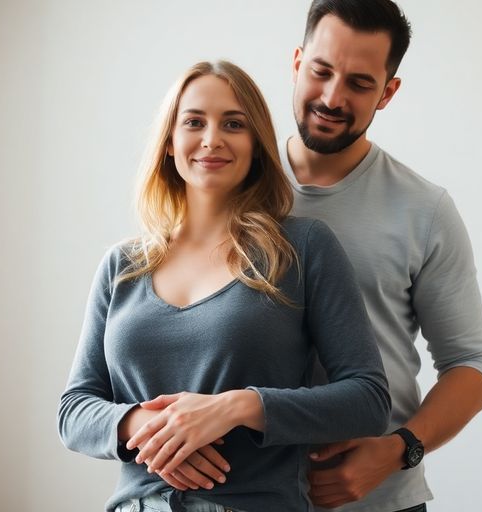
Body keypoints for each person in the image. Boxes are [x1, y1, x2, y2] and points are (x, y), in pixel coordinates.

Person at [57, 60, 391, 512]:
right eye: (194, 122)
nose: (212, 138)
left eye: (233, 124)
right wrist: (146, 427)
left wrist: (234, 408)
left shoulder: (304, 247)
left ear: (255, 145)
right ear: (170, 145)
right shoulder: (122, 265)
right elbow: (74, 410)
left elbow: (368, 400)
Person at [281, 1, 482, 511]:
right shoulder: (230, 186)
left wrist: (398, 450)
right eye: (321, 71)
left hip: (380, 501)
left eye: (359, 83)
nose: (332, 97)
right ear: (296, 63)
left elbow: (472, 363)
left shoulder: (424, 209)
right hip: (246, 496)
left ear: (388, 92)